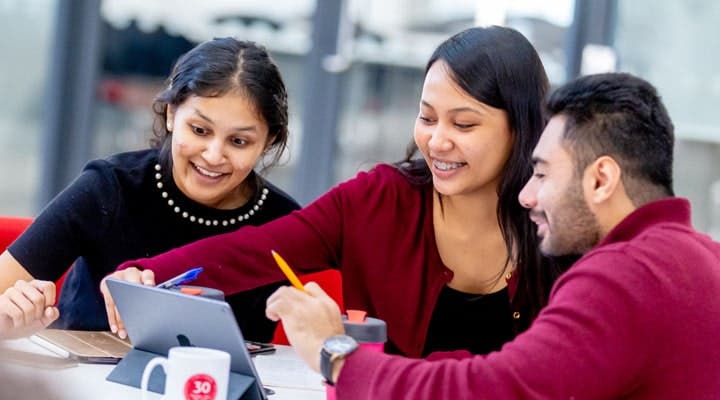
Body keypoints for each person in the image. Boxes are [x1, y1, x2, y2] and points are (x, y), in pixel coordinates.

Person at [106, 26, 572, 355]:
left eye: (464, 123)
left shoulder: (560, 224)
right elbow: (254, 250)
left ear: (521, 128)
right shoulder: (379, 201)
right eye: (427, 117)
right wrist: (145, 274)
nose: (437, 140)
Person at [266, 72, 720, 399]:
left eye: (542, 173)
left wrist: (337, 355)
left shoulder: (623, 275)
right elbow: (517, 375)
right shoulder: (699, 258)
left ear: (601, 179)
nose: (527, 195)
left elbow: (491, 391)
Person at [0, 38, 300, 341]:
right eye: (199, 130)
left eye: (238, 141)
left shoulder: (285, 223)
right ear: (171, 115)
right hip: (83, 382)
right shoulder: (110, 187)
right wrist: (11, 313)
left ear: (268, 142)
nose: (213, 155)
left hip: (220, 387)